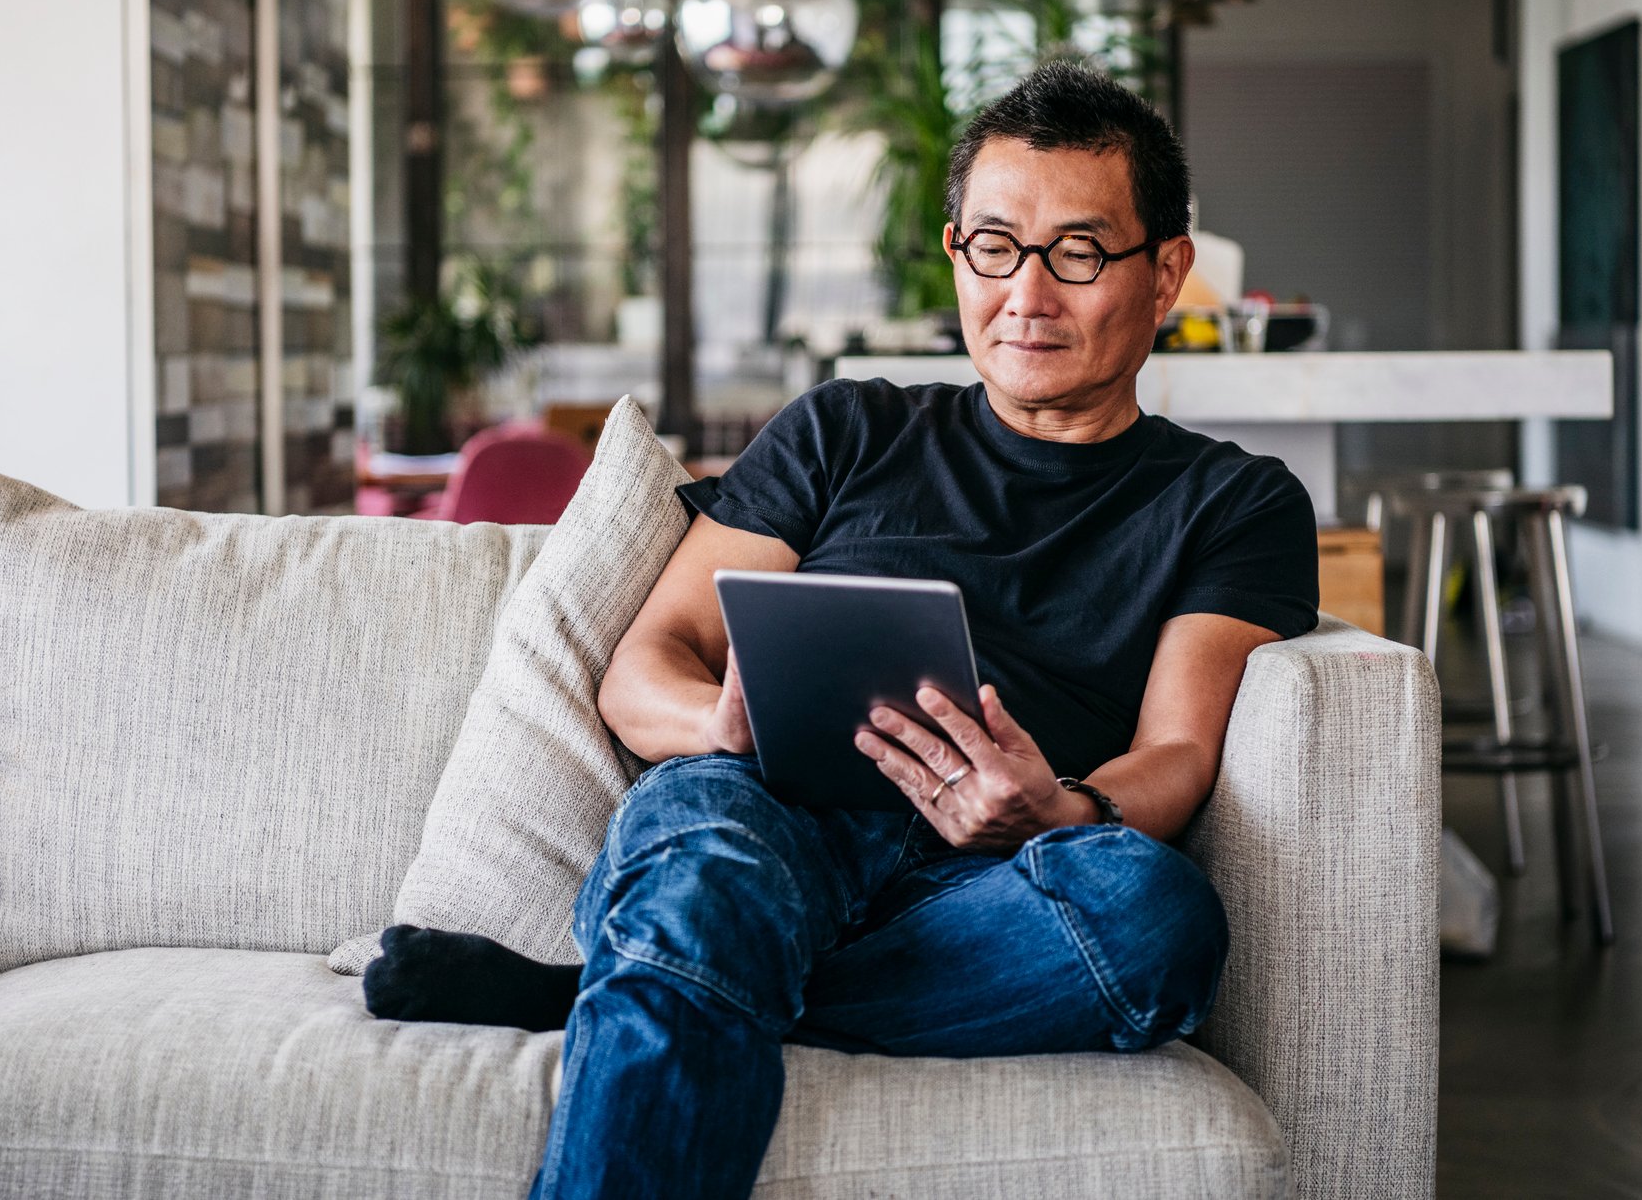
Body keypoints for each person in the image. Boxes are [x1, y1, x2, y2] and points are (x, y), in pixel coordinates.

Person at [365, 59, 1321, 1199]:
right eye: (994, 246)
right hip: (764, 818)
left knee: (1156, 919)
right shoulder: (846, 431)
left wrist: (1058, 808)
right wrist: (717, 729)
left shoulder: (1235, 501)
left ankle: (627, 979)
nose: (1028, 294)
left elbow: (1174, 752)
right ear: (956, 249)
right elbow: (644, 666)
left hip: (995, 873)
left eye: (1077, 252)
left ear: (1166, 274)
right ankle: (686, 948)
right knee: (710, 863)